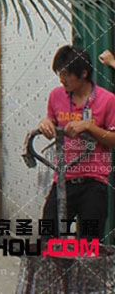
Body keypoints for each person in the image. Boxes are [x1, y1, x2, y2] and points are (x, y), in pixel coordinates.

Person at [37, 45, 115, 239]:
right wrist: (46, 123)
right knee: (48, 237)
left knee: (89, 244)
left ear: (83, 73)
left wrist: (89, 127)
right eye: (59, 74)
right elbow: (51, 121)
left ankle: (82, 269)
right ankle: (55, 269)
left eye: (66, 74)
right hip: (63, 179)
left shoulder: (107, 100)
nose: (61, 79)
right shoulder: (56, 96)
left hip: (94, 182)